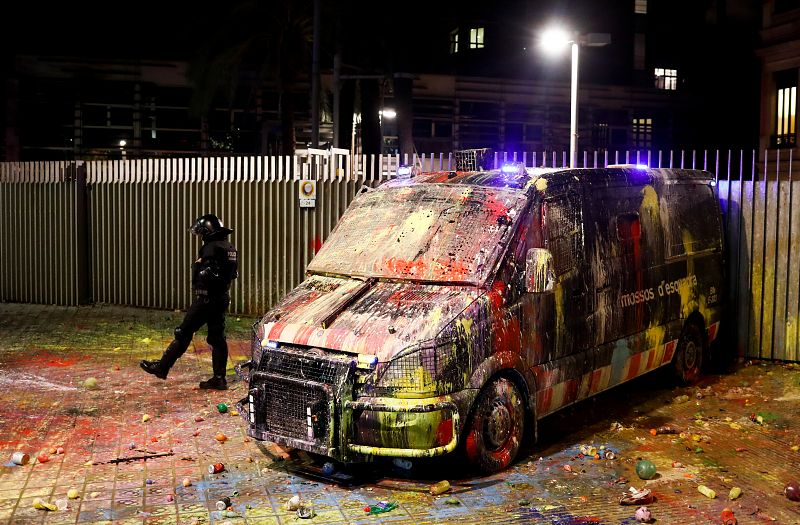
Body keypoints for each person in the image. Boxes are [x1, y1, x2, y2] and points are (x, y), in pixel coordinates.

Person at [140, 213, 239, 390]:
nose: (201, 237)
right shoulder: (229, 247)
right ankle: (219, 378)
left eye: (202, 233)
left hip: (207, 299)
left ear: (208, 232)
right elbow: (232, 274)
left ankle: (162, 367)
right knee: (217, 338)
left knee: (183, 332)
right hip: (222, 297)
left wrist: (198, 265)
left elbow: (206, 274)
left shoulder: (211, 247)